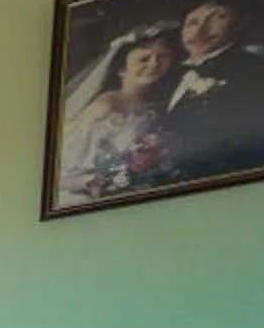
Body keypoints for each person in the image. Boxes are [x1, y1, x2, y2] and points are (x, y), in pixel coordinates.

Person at [156, 0, 264, 181]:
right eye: (192, 22)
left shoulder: (259, 70)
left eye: (218, 18)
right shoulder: (164, 75)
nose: (200, 31)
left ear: (240, 23)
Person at [58, 21, 181, 200]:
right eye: (144, 59)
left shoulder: (154, 108)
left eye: (162, 57)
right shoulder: (107, 107)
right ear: (122, 69)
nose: (154, 64)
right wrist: (95, 181)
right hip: (83, 195)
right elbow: (66, 165)